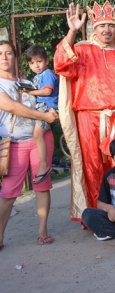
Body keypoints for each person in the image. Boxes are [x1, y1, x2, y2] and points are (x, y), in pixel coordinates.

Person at [54, 2, 115, 224]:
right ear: (94, 27)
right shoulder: (81, 50)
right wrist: (72, 31)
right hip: (88, 119)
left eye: (110, 25)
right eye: (102, 26)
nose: (107, 30)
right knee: (92, 169)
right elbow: (61, 64)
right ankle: (98, 218)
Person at [0, 40, 59, 249]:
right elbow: (12, 107)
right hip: (15, 142)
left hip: (40, 139)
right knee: (8, 193)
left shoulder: (27, 81)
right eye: (0, 54)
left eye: (8, 53)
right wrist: (42, 114)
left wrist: (51, 114)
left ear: (15, 57)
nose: (5, 57)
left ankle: (42, 231)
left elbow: (48, 98)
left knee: (42, 187)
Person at [23, 45, 59, 183]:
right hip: (40, 107)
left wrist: (29, 92)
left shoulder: (48, 74)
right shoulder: (38, 76)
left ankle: (44, 164)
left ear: (46, 61)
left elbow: (47, 91)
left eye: (39, 61)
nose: (36, 65)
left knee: (37, 135)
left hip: (46, 108)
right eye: (32, 63)